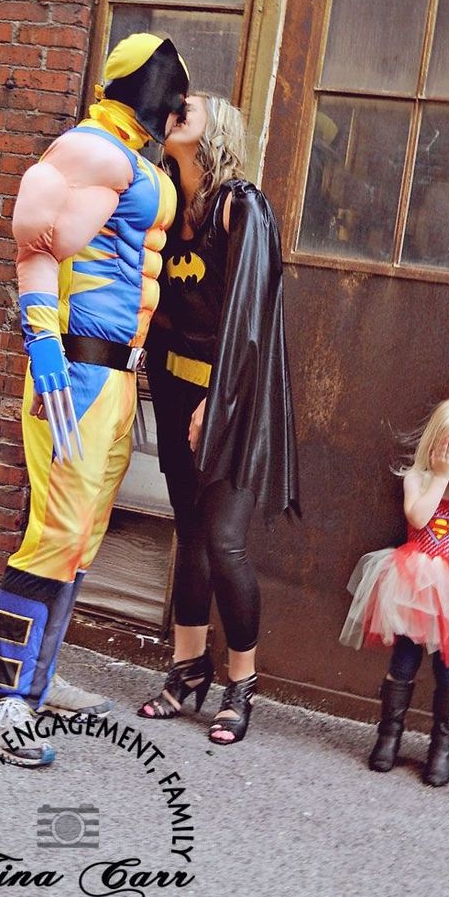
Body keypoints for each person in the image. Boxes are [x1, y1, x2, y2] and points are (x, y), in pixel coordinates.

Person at [0, 33, 190, 766]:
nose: (175, 97)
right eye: (169, 86)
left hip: (116, 378)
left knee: (83, 533)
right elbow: (37, 241)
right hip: (78, 373)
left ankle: (34, 675)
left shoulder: (133, 158)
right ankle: (1, 701)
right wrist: (43, 348)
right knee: (58, 530)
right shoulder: (94, 149)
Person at [137, 93, 299, 746]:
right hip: (176, 391)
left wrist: (219, 403)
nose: (177, 106)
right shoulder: (169, 206)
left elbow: (251, 319)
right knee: (192, 537)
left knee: (225, 541)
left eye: (192, 104)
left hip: (232, 398)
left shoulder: (240, 206)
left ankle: (241, 683)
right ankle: (187, 670)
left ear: (219, 131)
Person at [340, 396, 449, 786]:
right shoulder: (416, 477)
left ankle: (442, 747)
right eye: (447, 447)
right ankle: (389, 736)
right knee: (404, 656)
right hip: (411, 583)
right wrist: (438, 478)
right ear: (433, 444)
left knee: (448, 664)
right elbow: (418, 517)